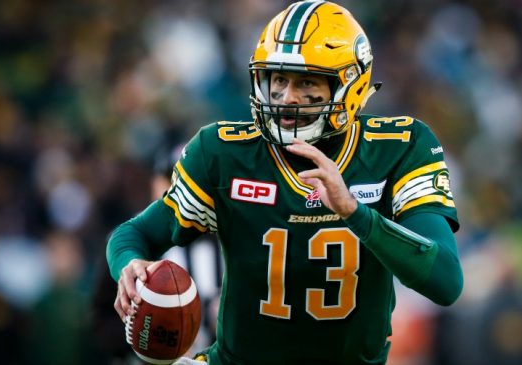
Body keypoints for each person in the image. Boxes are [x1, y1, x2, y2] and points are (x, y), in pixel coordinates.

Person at [106, 1, 464, 364]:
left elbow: (446, 282)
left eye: (306, 81)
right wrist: (129, 266)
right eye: (278, 80)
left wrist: (355, 213)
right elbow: (133, 235)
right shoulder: (224, 154)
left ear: (350, 85)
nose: (287, 97)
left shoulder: (399, 148)